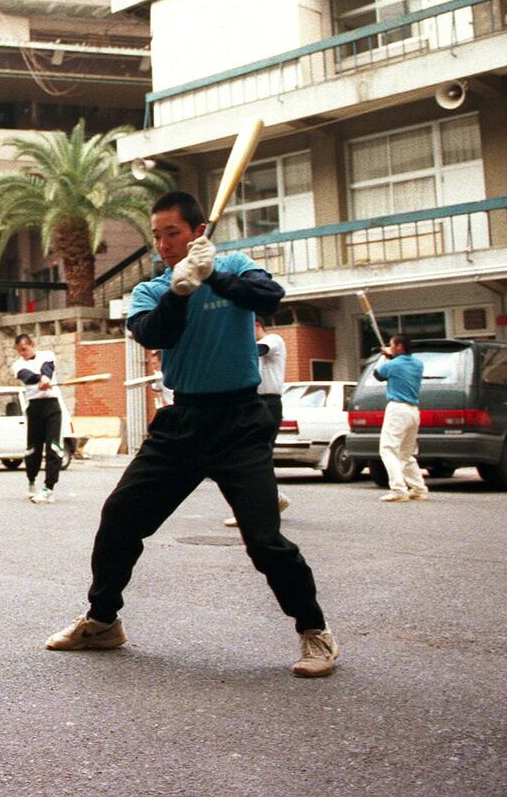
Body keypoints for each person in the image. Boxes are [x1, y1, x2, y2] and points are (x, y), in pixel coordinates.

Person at [45, 191, 338, 678]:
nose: (162, 244)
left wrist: (214, 275)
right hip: (182, 422)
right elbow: (154, 335)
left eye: (172, 233)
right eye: (156, 235)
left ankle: (315, 631)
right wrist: (181, 291)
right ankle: (102, 620)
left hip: (240, 421)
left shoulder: (238, 265)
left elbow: (271, 298)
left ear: (198, 231)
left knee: (265, 541)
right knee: (120, 518)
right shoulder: (151, 289)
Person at [224, 320, 290, 527]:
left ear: (257, 324)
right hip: (249, 401)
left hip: (268, 402)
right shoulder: (247, 350)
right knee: (243, 456)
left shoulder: (274, 340)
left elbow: (258, 349)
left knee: (256, 456)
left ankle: (256, 510)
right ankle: (273, 500)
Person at [374, 334, 427, 503]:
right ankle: (418, 489)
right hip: (413, 411)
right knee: (406, 453)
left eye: (392, 345)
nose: (390, 347)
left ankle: (398, 489)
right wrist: (390, 355)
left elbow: (378, 374)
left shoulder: (394, 364)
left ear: (399, 346)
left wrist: (384, 355)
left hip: (397, 409)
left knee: (388, 449)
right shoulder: (418, 364)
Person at [14, 333, 63, 503]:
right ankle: (31, 481)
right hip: (34, 407)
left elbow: (47, 368)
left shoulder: (47, 355)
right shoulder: (17, 365)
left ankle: (49, 488)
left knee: (53, 447)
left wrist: (45, 378)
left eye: (25, 349)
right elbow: (26, 376)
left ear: (31, 345)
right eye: (20, 351)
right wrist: (39, 379)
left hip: (52, 406)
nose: (23, 353)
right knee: (33, 449)